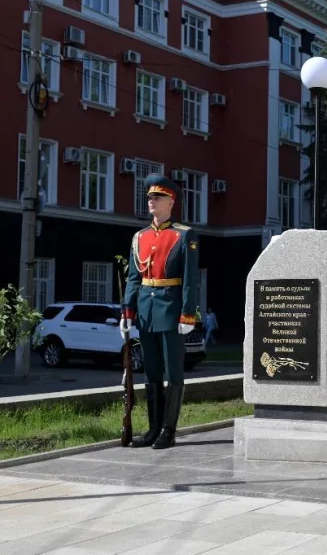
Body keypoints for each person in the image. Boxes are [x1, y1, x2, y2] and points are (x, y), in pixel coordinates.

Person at [120, 173, 200, 450]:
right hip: (146, 310)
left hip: (171, 309)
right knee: (151, 370)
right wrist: (127, 311)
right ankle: (153, 428)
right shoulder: (139, 237)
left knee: (173, 371)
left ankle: (169, 429)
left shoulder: (184, 235)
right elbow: (133, 276)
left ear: (171, 201)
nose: (151, 201)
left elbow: (190, 279)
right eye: (150, 197)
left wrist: (188, 314)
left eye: (158, 197)